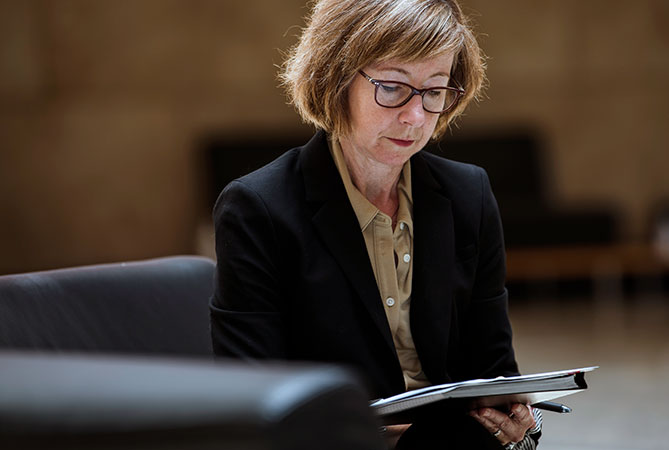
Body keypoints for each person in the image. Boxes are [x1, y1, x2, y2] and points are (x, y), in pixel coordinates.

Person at [210, 0, 541, 448]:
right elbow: (252, 405)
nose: (416, 117)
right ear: (336, 79)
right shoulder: (257, 210)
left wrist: (518, 426)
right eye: (393, 87)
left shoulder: (469, 195)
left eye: (434, 91)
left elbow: (494, 370)